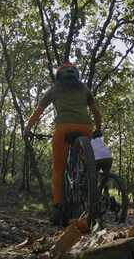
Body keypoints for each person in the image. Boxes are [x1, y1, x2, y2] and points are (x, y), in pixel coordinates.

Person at [24, 61, 102, 225]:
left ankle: (58, 208)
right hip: (86, 128)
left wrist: (27, 129)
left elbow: (37, 113)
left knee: (58, 169)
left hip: (63, 129)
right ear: (77, 75)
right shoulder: (84, 89)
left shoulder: (54, 89)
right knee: (88, 164)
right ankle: (90, 189)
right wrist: (98, 129)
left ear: (59, 76)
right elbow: (96, 112)